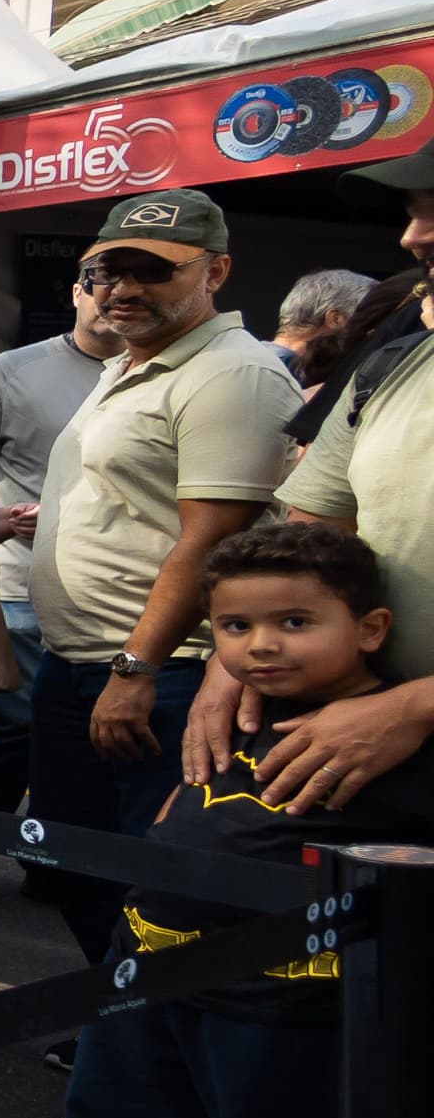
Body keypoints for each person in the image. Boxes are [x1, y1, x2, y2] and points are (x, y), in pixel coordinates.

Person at [0, 522, 434, 1118]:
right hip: (148, 972)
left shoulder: (393, 738)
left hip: (286, 1006)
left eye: (292, 622)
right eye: (235, 628)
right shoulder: (226, 710)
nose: (261, 646)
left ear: (370, 627)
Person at [25, 191, 301, 971]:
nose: (123, 287)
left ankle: (147, 1043)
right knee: (71, 863)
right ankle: (120, 1024)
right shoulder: (131, 363)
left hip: (159, 676)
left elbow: (212, 539)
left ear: (216, 271)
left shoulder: (232, 373)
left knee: (157, 886)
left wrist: (135, 668)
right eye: (107, 269)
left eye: (152, 271)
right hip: (83, 665)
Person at [186, 174, 434, 814]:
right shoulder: (392, 364)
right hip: (357, 743)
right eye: (414, 213)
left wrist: (413, 704)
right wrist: (230, 664)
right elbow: (311, 538)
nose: (414, 237)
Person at [0, 285, 125, 899]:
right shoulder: (11, 371)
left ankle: (48, 854)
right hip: (21, 584)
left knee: (77, 730)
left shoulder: (160, 375)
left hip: (118, 589)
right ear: (73, 293)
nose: (114, 297)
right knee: (17, 722)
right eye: (99, 283)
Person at [274, 268, 376, 386]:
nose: (372, 331)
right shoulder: (280, 374)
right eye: (370, 319)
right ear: (336, 319)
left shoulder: (259, 360)